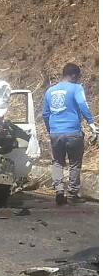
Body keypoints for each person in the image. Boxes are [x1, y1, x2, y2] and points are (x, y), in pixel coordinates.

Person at [42, 63, 98, 205]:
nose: (78, 79)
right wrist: (91, 124)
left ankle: (59, 190)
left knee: (57, 162)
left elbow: (45, 114)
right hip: (73, 131)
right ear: (73, 75)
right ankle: (72, 194)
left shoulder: (50, 91)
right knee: (74, 163)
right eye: (78, 77)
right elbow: (82, 105)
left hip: (55, 132)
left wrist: (51, 129)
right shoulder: (76, 88)